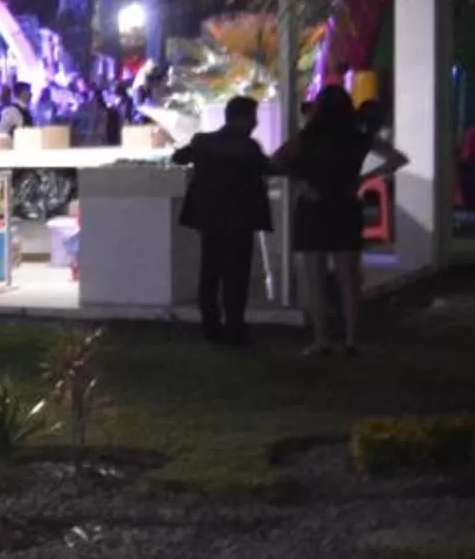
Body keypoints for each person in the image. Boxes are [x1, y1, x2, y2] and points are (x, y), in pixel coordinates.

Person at [275, 85, 404, 356]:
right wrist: (363, 179)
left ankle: (321, 339)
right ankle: (350, 339)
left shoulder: (307, 137)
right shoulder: (357, 137)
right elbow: (396, 158)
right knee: (349, 277)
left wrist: (301, 184)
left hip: (314, 205)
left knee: (316, 277)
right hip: (345, 205)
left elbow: (277, 160)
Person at [173, 95, 273, 346]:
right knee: (236, 276)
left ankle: (210, 324)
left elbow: (179, 157)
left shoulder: (204, 142)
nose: (256, 123)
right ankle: (234, 326)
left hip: (210, 218)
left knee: (210, 272)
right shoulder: (248, 147)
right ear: (243, 119)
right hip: (240, 219)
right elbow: (268, 167)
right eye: (253, 117)